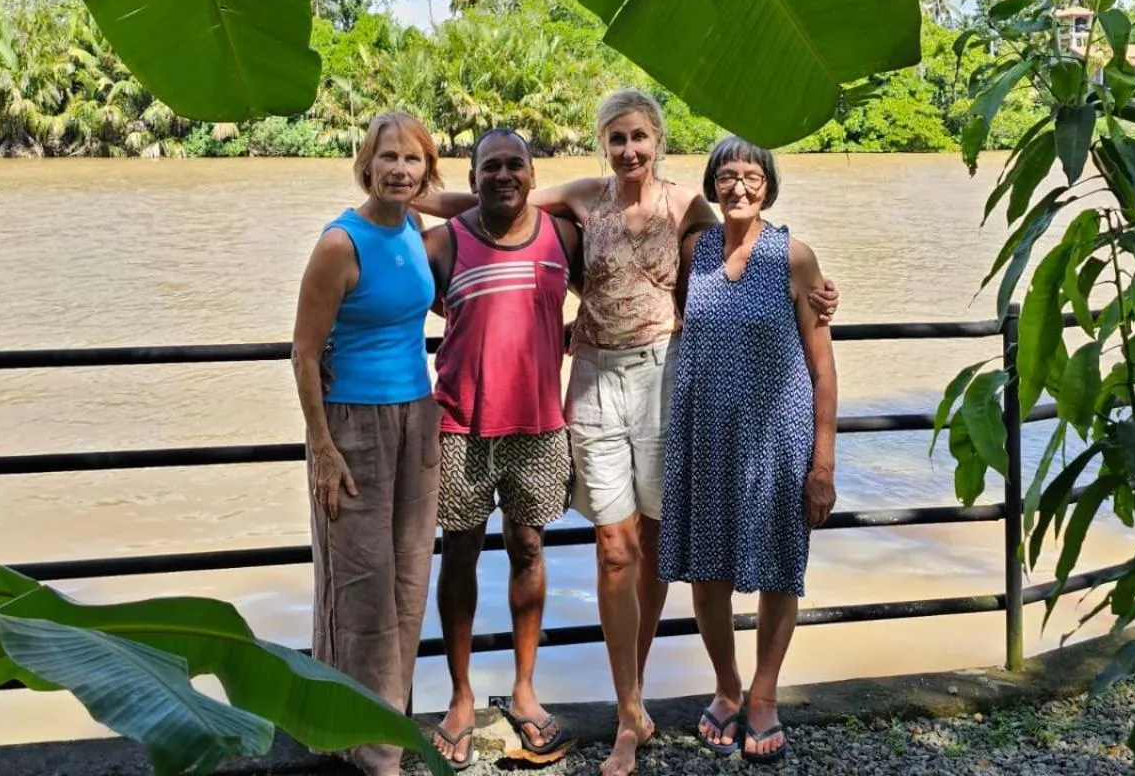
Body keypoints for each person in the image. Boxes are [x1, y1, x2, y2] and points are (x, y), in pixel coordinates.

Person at [420, 89, 836, 776]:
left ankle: (650, 696)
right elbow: (499, 197)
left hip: (664, 376)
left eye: (640, 137)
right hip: (592, 376)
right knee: (614, 548)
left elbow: (746, 244)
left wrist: (815, 291)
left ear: (659, 140)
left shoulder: (689, 207)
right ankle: (629, 708)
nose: (629, 150)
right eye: (617, 138)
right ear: (603, 144)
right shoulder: (584, 197)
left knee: (657, 541)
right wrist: (413, 197)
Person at [659, 137, 839, 766]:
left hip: (777, 440)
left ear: (769, 186)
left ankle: (764, 695)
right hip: (705, 436)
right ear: (712, 183)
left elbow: (823, 368)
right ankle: (727, 687)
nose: (739, 187)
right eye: (728, 175)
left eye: (752, 177)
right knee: (706, 570)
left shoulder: (794, 257)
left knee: (779, 569)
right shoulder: (696, 251)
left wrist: (823, 464)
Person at [422, 128, 582, 768]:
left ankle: (523, 688)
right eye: (491, 166)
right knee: (459, 551)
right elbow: (389, 305)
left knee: (529, 547)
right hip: (460, 423)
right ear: (473, 178)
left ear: (532, 174)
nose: (504, 175)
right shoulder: (442, 243)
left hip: (539, 423)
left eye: (516, 164)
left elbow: (623, 289)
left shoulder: (563, 236)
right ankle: (460, 696)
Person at [291, 111, 443, 776]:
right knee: (361, 585)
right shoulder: (340, 243)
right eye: (389, 158)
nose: (400, 170)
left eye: (413, 159)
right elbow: (303, 353)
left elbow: (478, 205)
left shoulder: (413, 227)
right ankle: (370, 749)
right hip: (353, 422)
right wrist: (322, 449)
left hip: (418, 416)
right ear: (366, 164)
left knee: (409, 581)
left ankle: (384, 726)